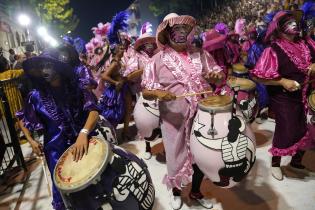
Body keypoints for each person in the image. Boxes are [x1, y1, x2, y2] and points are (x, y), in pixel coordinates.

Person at [142, 13, 224, 209]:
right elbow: (145, 91)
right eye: (176, 30)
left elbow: (219, 77)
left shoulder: (200, 54)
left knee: (201, 154)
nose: (180, 33)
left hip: (202, 116)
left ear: (189, 32)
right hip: (174, 119)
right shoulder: (156, 60)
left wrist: (215, 77)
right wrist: (158, 93)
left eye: (184, 30)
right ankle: (176, 191)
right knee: (176, 156)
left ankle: (196, 191)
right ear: (167, 33)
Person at [16, 47, 101, 209]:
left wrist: (84, 133)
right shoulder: (36, 96)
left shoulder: (78, 87)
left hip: (82, 147)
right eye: (41, 67)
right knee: (65, 196)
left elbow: (93, 111)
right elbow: (21, 118)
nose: (44, 70)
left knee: (89, 190)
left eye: (48, 65)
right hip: (56, 153)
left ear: (59, 68)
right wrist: (32, 141)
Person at [252, 11, 315, 181]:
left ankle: (296, 161)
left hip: (306, 95)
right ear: (279, 27)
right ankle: (275, 163)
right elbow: (259, 77)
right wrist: (283, 82)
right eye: (288, 21)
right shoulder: (273, 49)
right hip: (284, 99)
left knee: (308, 130)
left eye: (294, 20)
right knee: (286, 130)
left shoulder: (306, 44)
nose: (293, 23)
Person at [133, 22, 160, 159]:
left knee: (162, 121)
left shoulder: (159, 54)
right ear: (142, 44)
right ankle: (148, 147)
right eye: (146, 42)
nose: (149, 44)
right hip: (145, 92)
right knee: (145, 122)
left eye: (151, 41)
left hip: (161, 91)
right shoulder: (137, 57)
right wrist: (145, 69)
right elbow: (129, 75)